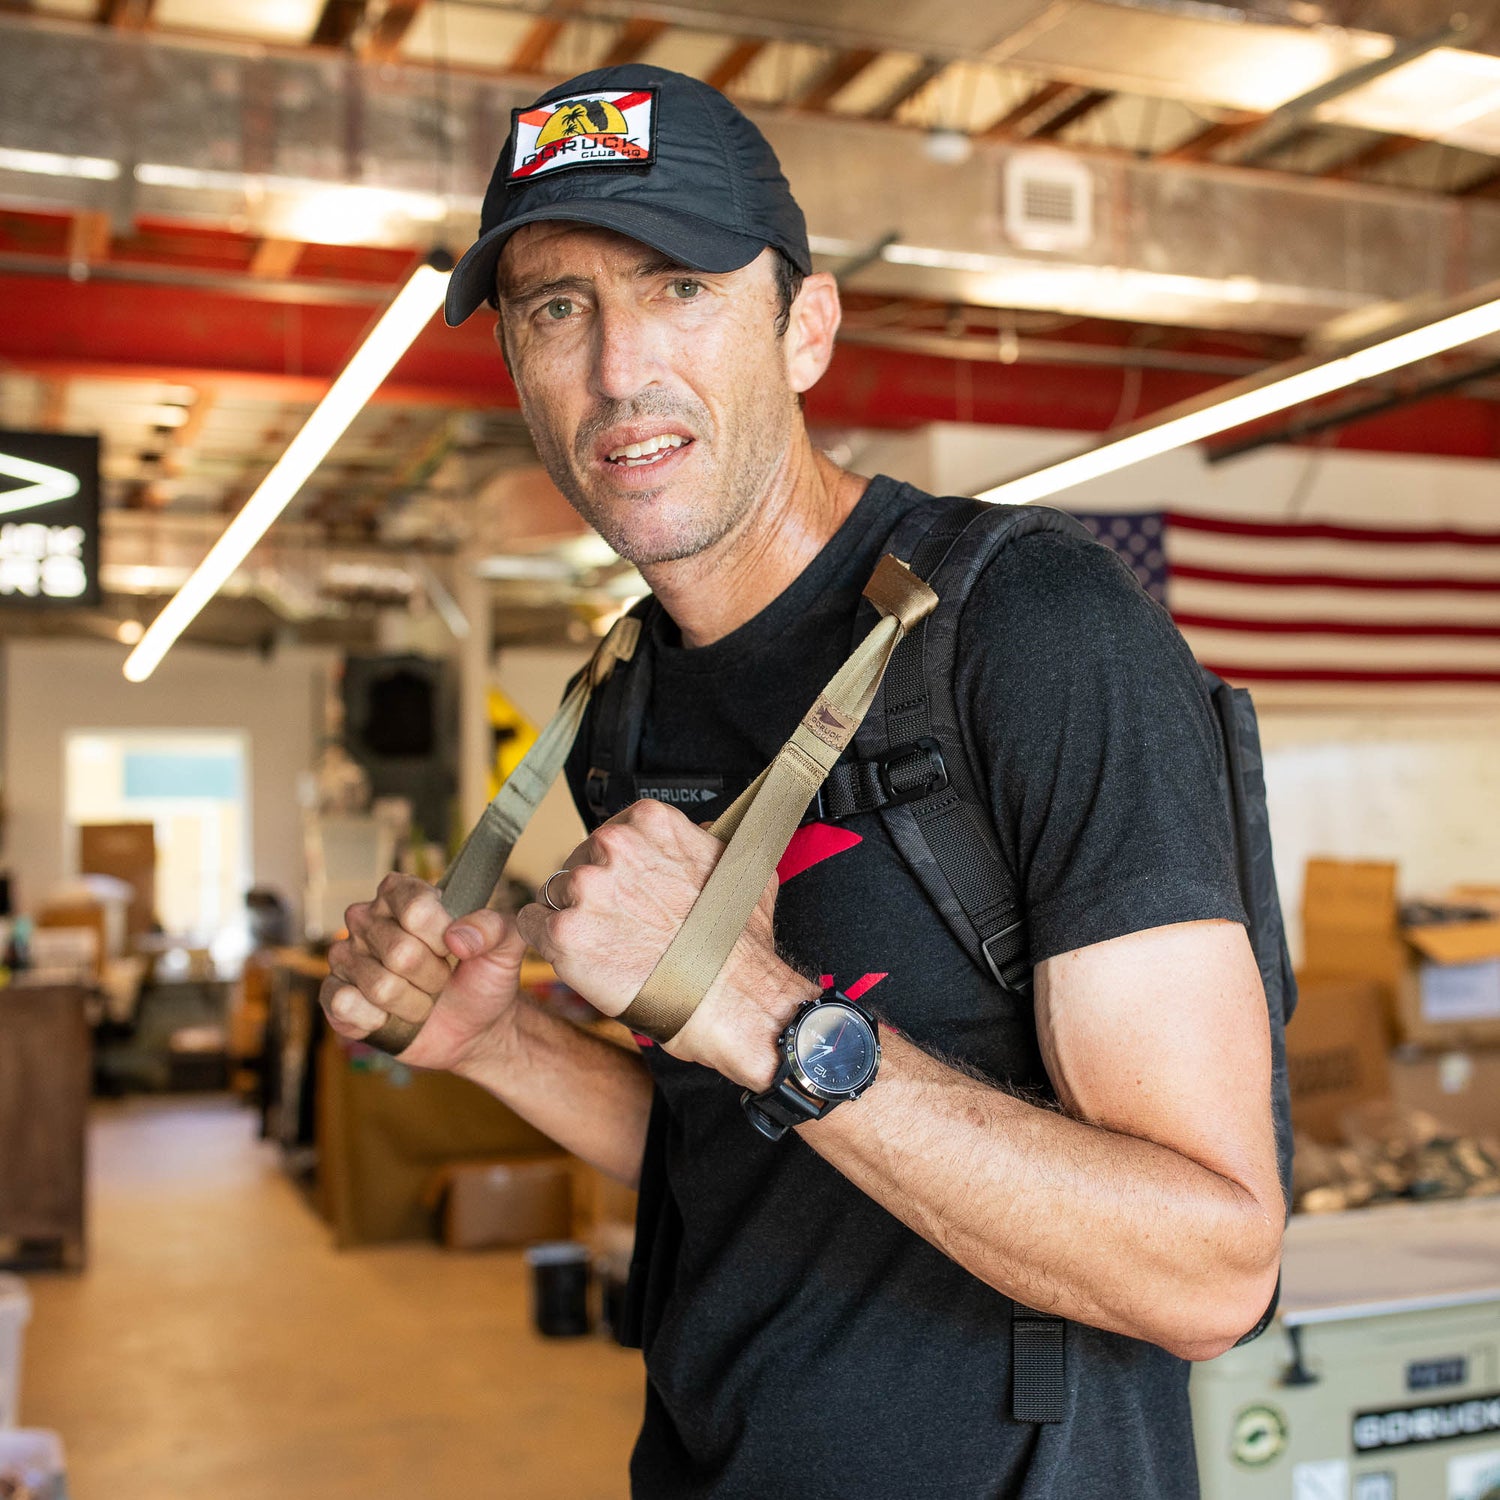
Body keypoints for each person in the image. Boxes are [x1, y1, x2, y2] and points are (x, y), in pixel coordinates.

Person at [320, 64, 1282, 1499]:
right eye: (555, 306)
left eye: (679, 287)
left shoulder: (1035, 636)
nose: (616, 367)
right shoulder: (626, 699)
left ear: (806, 327)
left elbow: (1213, 1267)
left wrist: (761, 1009)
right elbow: (737, 1154)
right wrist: (496, 1045)